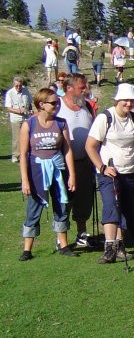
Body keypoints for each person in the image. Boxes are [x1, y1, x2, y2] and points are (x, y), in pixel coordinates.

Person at [18, 88, 78, 261]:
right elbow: (23, 154)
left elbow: (67, 150)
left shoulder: (61, 123)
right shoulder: (29, 124)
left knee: (61, 205)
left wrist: (72, 175)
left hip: (58, 170)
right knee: (33, 208)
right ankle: (27, 249)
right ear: (41, 104)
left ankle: (64, 245)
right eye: (53, 103)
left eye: (57, 102)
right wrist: (25, 180)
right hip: (37, 171)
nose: (56, 106)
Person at [85, 83, 134, 264]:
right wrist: (102, 167)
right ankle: (109, 248)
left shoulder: (133, 117)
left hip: (131, 170)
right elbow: (90, 146)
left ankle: (119, 245)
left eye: (131, 100)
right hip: (110, 171)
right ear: (118, 99)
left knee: (125, 208)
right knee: (111, 205)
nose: (128, 103)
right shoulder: (105, 117)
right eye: (125, 100)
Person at [56, 73, 98, 248]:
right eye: (82, 88)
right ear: (69, 88)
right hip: (64, 164)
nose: (85, 91)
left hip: (86, 162)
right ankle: (61, 239)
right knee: (65, 201)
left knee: (84, 201)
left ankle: (82, 235)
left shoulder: (87, 107)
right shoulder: (57, 106)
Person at [5, 76, 33, 163]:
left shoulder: (26, 91)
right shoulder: (10, 93)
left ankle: (24, 154)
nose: (18, 87)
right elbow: (9, 108)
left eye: (20, 86)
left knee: (26, 136)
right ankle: (15, 155)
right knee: (16, 138)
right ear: (14, 85)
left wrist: (31, 110)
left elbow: (29, 102)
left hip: (26, 118)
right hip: (16, 119)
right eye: (16, 86)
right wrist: (19, 111)